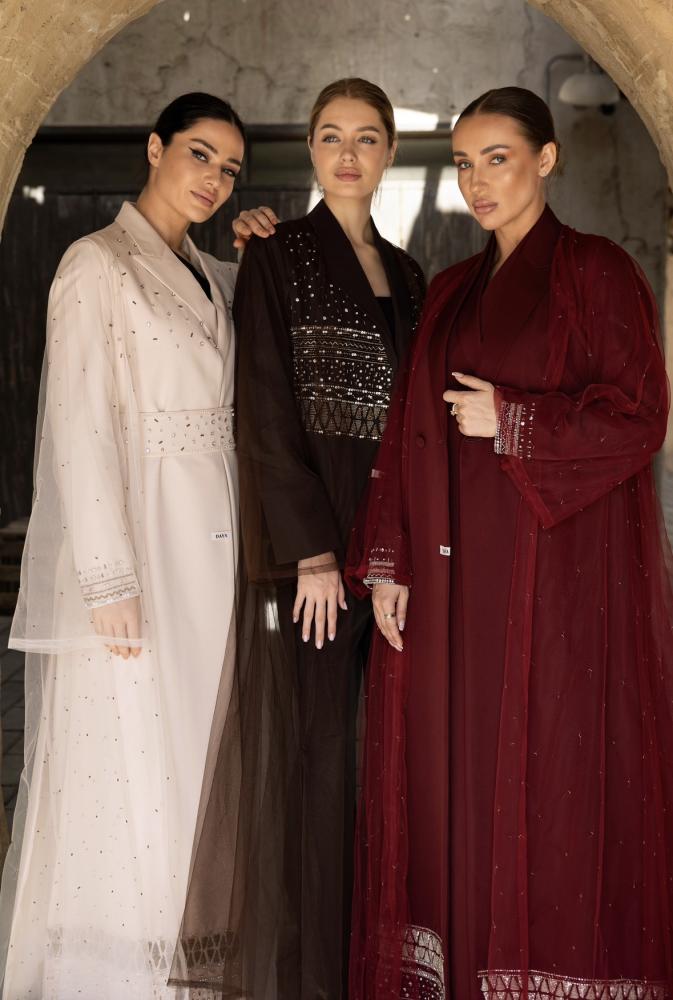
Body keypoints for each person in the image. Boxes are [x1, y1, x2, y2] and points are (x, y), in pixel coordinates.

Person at [347, 86, 673, 1000]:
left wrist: (515, 420)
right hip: (451, 581)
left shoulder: (597, 272)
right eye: (463, 163)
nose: (477, 181)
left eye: (497, 158)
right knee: (454, 769)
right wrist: (389, 563)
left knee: (549, 767)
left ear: (545, 159)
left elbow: (640, 417)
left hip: (554, 576)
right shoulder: (452, 289)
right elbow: (405, 432)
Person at [173, 78, 426, 1000]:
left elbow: (414, 428)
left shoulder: (409, 274)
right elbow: (265, 407)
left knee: (387, 763)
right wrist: (312, 553)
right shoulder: (279, 256)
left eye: (366, 137)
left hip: (393, 557)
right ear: (312, 149)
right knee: (318, 765)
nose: (347, 154)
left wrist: (402, 550)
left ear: (389, 151)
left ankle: (377, 964)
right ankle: (312, 977)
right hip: (317, 564)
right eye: (329, 136)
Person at [0, 92, 254, 999]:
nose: (214, 179)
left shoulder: (212, 274)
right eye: (199, 153)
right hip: (143, 538)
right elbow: (79, 425)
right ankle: (119, 973)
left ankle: (193, 957)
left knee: (199, 742)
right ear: (154, 148)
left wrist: (259, 247)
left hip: (213, 541)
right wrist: (108, 578)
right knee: (135, 739)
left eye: (231, 169)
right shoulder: (95, 263)